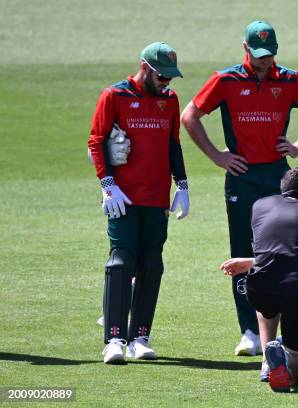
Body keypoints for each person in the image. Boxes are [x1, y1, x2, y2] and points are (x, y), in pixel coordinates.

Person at [181, 20, 298, 356]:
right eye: (259, 55)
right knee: (242, 249)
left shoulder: (290, 79)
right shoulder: (226, 79)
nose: (266, 61)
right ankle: (249, 330)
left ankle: (276, 327)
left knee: (280, 248)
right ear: (245, 49)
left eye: (270, 55)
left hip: (278, 177)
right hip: (242, 176)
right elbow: (189, 115)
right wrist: (217, 156)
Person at [88, 42, 189, 364]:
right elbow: (96, 141)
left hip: (156, 199)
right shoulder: (114, 96)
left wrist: (182, 186)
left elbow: (173, 144)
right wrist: (107, 185)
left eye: (171, 77)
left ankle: (139, 337)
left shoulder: (169, 100)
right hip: (123, 198)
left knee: (151, 264)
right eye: (162, 76)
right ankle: (114, 339)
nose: (167, 83)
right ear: (144, 68)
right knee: (120, 262)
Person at [220, 167, 298, 392]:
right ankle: (287, 364)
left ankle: (268, 359)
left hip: (259, 288)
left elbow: (275, 255)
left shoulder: (260, 206)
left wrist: (249, 262)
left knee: (267, 295)